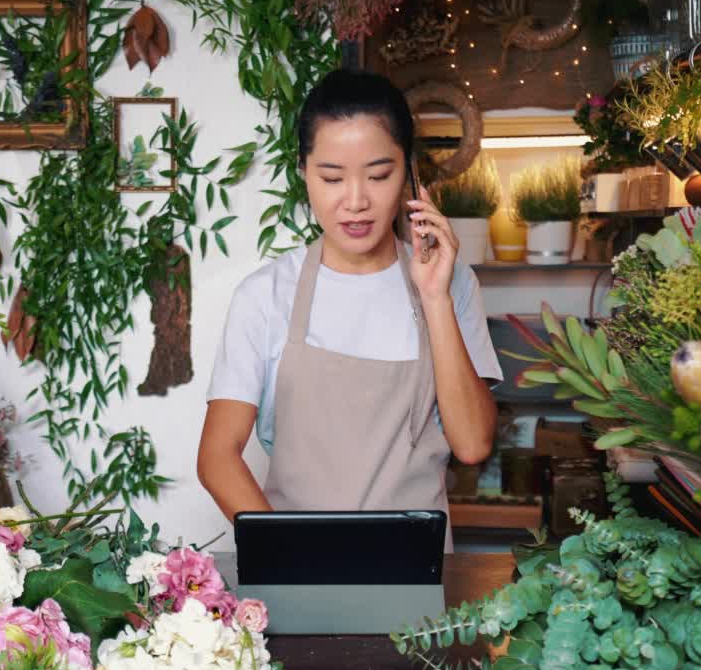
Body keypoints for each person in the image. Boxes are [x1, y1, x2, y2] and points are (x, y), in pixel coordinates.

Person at [198, 69, 503, 550]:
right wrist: (291, 556)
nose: (356, 201)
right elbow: (217, 456)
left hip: (416, 576)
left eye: (380, 175)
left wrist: (435, 298)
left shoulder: (452, 282)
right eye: (332, 177)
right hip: (295, 571)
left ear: (410, 173)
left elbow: (472, 445)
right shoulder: (266, 295)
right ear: (304, 173)